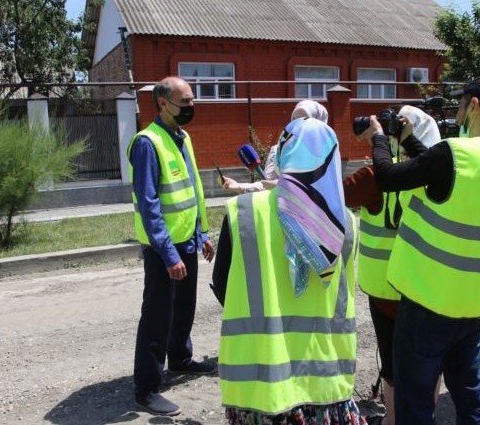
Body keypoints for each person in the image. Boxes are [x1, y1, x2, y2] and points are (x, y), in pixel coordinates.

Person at [357, 75, 480, 425]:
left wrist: (378, 136)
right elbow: (438, 172)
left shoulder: (454, 153)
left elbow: (389, 176)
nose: (461, 112)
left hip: (428, 302)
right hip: (474, 304)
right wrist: (409, 140)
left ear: (475, 105)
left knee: (415, 402)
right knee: (469, 396)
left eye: (463, 105)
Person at [211, 117, 366, 425]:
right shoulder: (347, 222)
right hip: (325, 380)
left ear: (281, 155)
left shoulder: (244, 211)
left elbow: (222, 285)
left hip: (261, 380)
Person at [343, 105, 441, 425]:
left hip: (386, 289)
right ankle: (427, 413)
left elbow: (339, 193)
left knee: (393, 361)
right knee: (429, 358)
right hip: (429, 287)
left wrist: (377, 142)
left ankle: (394, 419)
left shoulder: (377, 176)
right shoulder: (444, 179)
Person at [128, 76, 216, 416]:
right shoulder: (147, 143)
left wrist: (202, 233)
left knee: (184, 308)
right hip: (163, 248)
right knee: (157, 317)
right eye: (185, 102)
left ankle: (180, 358)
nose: (191, 108)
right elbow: (149, 204)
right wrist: (167, 253)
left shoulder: (182, 136)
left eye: (193, 101)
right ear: (163, 103)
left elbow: (192, 190)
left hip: (186, 241)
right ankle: (146, 389)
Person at [222, 100, 329, 193]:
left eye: (306, 119)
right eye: (295, 118)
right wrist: (238, 186)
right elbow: (267, 187)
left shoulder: (329, 153)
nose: (299, 124)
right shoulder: (278, 150)